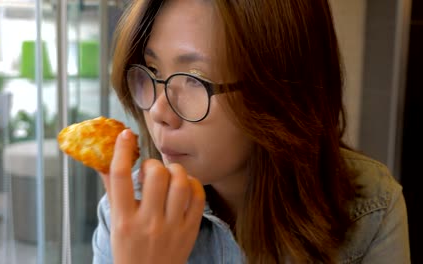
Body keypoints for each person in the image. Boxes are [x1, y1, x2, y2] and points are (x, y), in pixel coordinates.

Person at [92, 0, 411, 263]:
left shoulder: (370, 210)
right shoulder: (127, 213)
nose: (159, 112)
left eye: (195, 79)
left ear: (279, 91)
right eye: (153, 71)